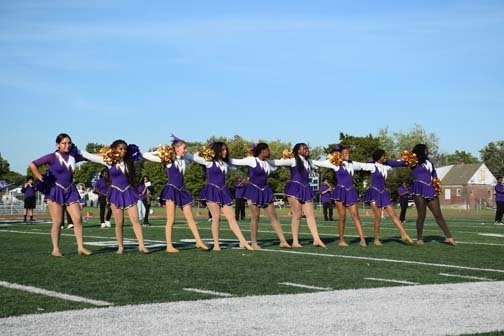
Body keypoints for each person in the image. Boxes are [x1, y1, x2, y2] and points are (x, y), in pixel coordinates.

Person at [81, 140, 150, 254]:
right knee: (119, 222)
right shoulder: (108, 161)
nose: (123, 151)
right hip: (116, 193)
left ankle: (142, 245)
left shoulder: (129, 161)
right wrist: (78, 151)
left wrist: (159, 152)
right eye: (120, 148)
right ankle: (121, 246)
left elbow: (144, 155)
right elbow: (90, 156)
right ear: (114, 149)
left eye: (125, 149)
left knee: (136, 220)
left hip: (129, 192)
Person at [28, 133, 92, 256]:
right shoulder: (52, 157)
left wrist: (108, 153)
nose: (67, 145)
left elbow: (90, 157)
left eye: (69, 143)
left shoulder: (73, 157)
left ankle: (81, 247)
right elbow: (33, 164)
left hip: (71, 189)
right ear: (58, 145)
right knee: (58, 222)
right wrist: (41, 178)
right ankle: (55, 249)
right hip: (55, 190)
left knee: (78, 219)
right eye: (64, 143)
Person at [142, 137, 209, 253]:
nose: (185, 150)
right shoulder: (168, 160)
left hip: (182, 190)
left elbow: (195, 157)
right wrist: (158, 152)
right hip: (171, 190)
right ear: (177, 148)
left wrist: (199, 154)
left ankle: (198, 240)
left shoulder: (185, 159)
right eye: (184, 148)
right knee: (171, 219)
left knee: (190, 218)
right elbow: (145, 155)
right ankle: (169, 245)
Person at [191, 141, 253, 251]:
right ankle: (216, 244)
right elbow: (192, 157)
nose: (225, 151)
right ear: (217, 151)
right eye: (223, 150)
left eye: (226, 149)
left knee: (232, 218)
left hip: (223, 190)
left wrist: (252, 157)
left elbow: (237, 163)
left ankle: (243, 241)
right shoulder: (208, 162)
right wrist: (200, 153)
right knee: (216, 218)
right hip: (212, 190)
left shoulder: (225, 163)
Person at [230, 143, 291, 249]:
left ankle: (283, 241)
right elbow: (236, 161)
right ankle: (254, 242)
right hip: (253, 190)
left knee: (274, 216)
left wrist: (288, 157)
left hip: (265, 190)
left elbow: (280, 163)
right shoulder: (252, 160)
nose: (269, 152)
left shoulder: (268, 163)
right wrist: (220, 157)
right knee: (255, 217)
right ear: (262, 151)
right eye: (268, 150)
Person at [272, 143, 326, 248]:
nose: (307, 149)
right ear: (298, 151)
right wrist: (282, 158)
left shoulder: (308, 161)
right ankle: (295, 241)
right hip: (294, 188)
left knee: (310, 214)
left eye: (307, 148)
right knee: (297, 215)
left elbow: (320, 164)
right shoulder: (292, 160)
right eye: (304, 148)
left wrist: (335, 163)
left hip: (306, 188)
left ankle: (316, 239)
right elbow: (277, 163)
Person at [314, 145, 368, 247]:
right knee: (342, 217)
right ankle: (341, 240)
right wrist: (304, 160)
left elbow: (364, 165)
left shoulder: (352, 164)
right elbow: (319, 163)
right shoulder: (335, 164)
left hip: (351, 190)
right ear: (340, 155)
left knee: (355, 215)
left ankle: (362, 239)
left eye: (348, 153)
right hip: (340, 191)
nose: (348, 155)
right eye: (345, 153)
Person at [362, 149, 413, 246]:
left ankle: (404, 234)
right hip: (374, 192)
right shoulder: (372, 166)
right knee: (378, 217)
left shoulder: (385, 166)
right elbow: (360, 165)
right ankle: (376, 239)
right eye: (383, 156)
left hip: (383, 192)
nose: (385, 157)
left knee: (393, 214)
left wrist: (407, 162)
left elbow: (397, 163)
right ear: (378, 157)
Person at [410, 144, 455, 246]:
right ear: (421, 151)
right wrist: (381, 162)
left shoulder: (429, 162)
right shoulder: (413, 161)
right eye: (426, 150)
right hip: (419, 189)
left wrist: (435, 182)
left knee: (438, 215)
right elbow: (398, 163)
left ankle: (449, 237)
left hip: (430, 189)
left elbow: (434, 173)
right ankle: (420, 238)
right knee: (422, 215)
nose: (428, 152)